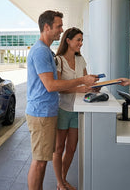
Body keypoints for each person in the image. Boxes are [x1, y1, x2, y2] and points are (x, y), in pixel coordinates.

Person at [26, 10, 98, 190]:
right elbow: (51, 85)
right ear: (46, 27)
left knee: (42, 161)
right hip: (41, 113)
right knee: (40, 162)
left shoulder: (46, 51)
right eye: (58, 26)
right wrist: (81, 80)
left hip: (47, 112)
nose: (61, 30)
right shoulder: (41, 52)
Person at [52, 27, 98, 190]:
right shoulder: (58, 60)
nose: (81, 43)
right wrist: (77, 88)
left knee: (71, 148)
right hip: (63, 109)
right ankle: (59, 182)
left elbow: (85, 81)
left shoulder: (81, 60)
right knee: (59, 147)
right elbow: (57, 87)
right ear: (68, 41)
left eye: (81, 40)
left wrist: (94, 86)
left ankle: (63, 179)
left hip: (78, 110)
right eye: (78, 39)